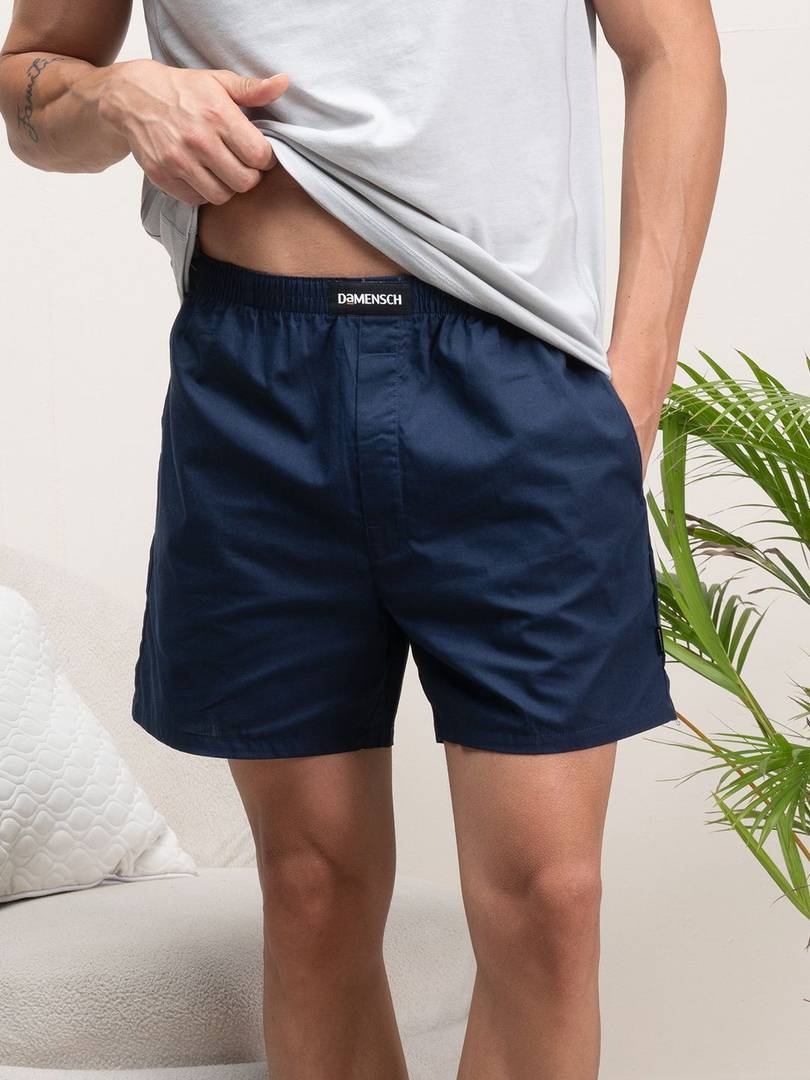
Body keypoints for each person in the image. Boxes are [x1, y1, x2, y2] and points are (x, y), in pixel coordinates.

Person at [0, 2, 726, 1077]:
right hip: (257, 383)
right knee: (312, 892)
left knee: (550, 900)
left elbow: (673, 48)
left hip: (514, 372)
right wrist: (117, 94)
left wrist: (636, 388)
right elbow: (31, 82)